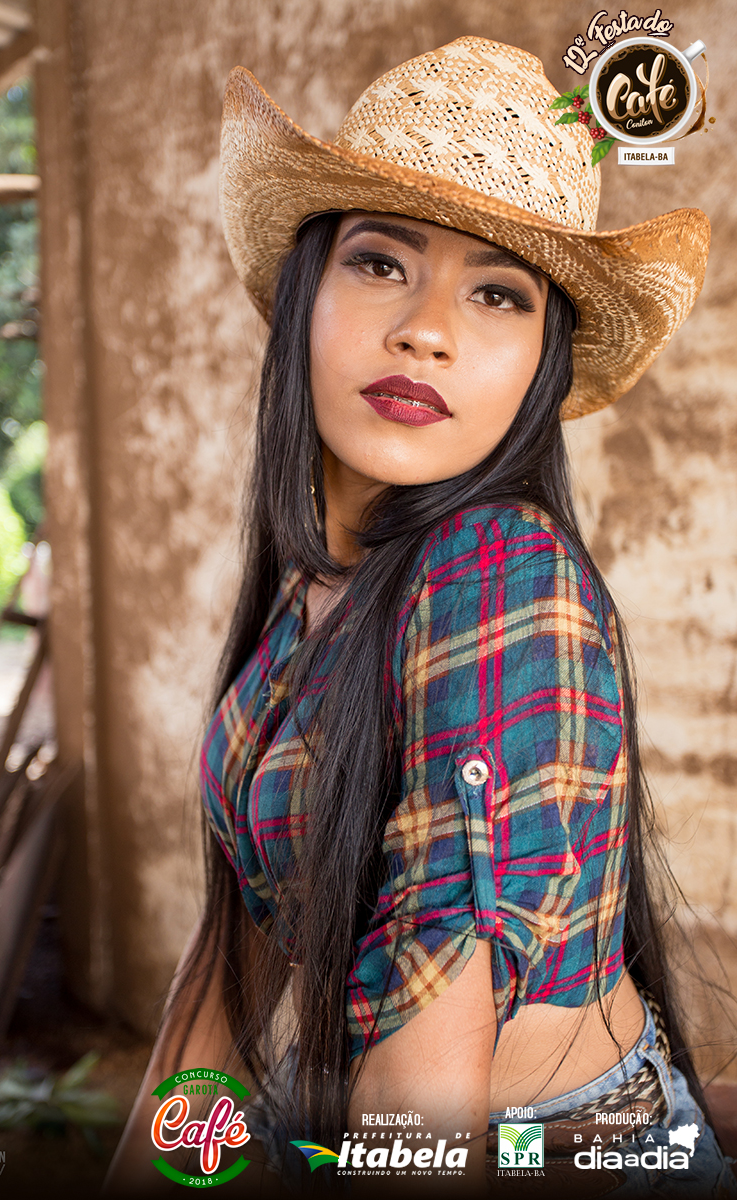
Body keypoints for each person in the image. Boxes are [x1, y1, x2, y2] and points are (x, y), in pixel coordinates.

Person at [105, 35, 734, 1197]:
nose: (427, 328)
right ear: (306, 291)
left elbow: (418, 1110)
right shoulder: (309, 598)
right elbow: (228, 987)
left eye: (496, 292)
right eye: (381, 263)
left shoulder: (497, 578)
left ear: (541, 365)